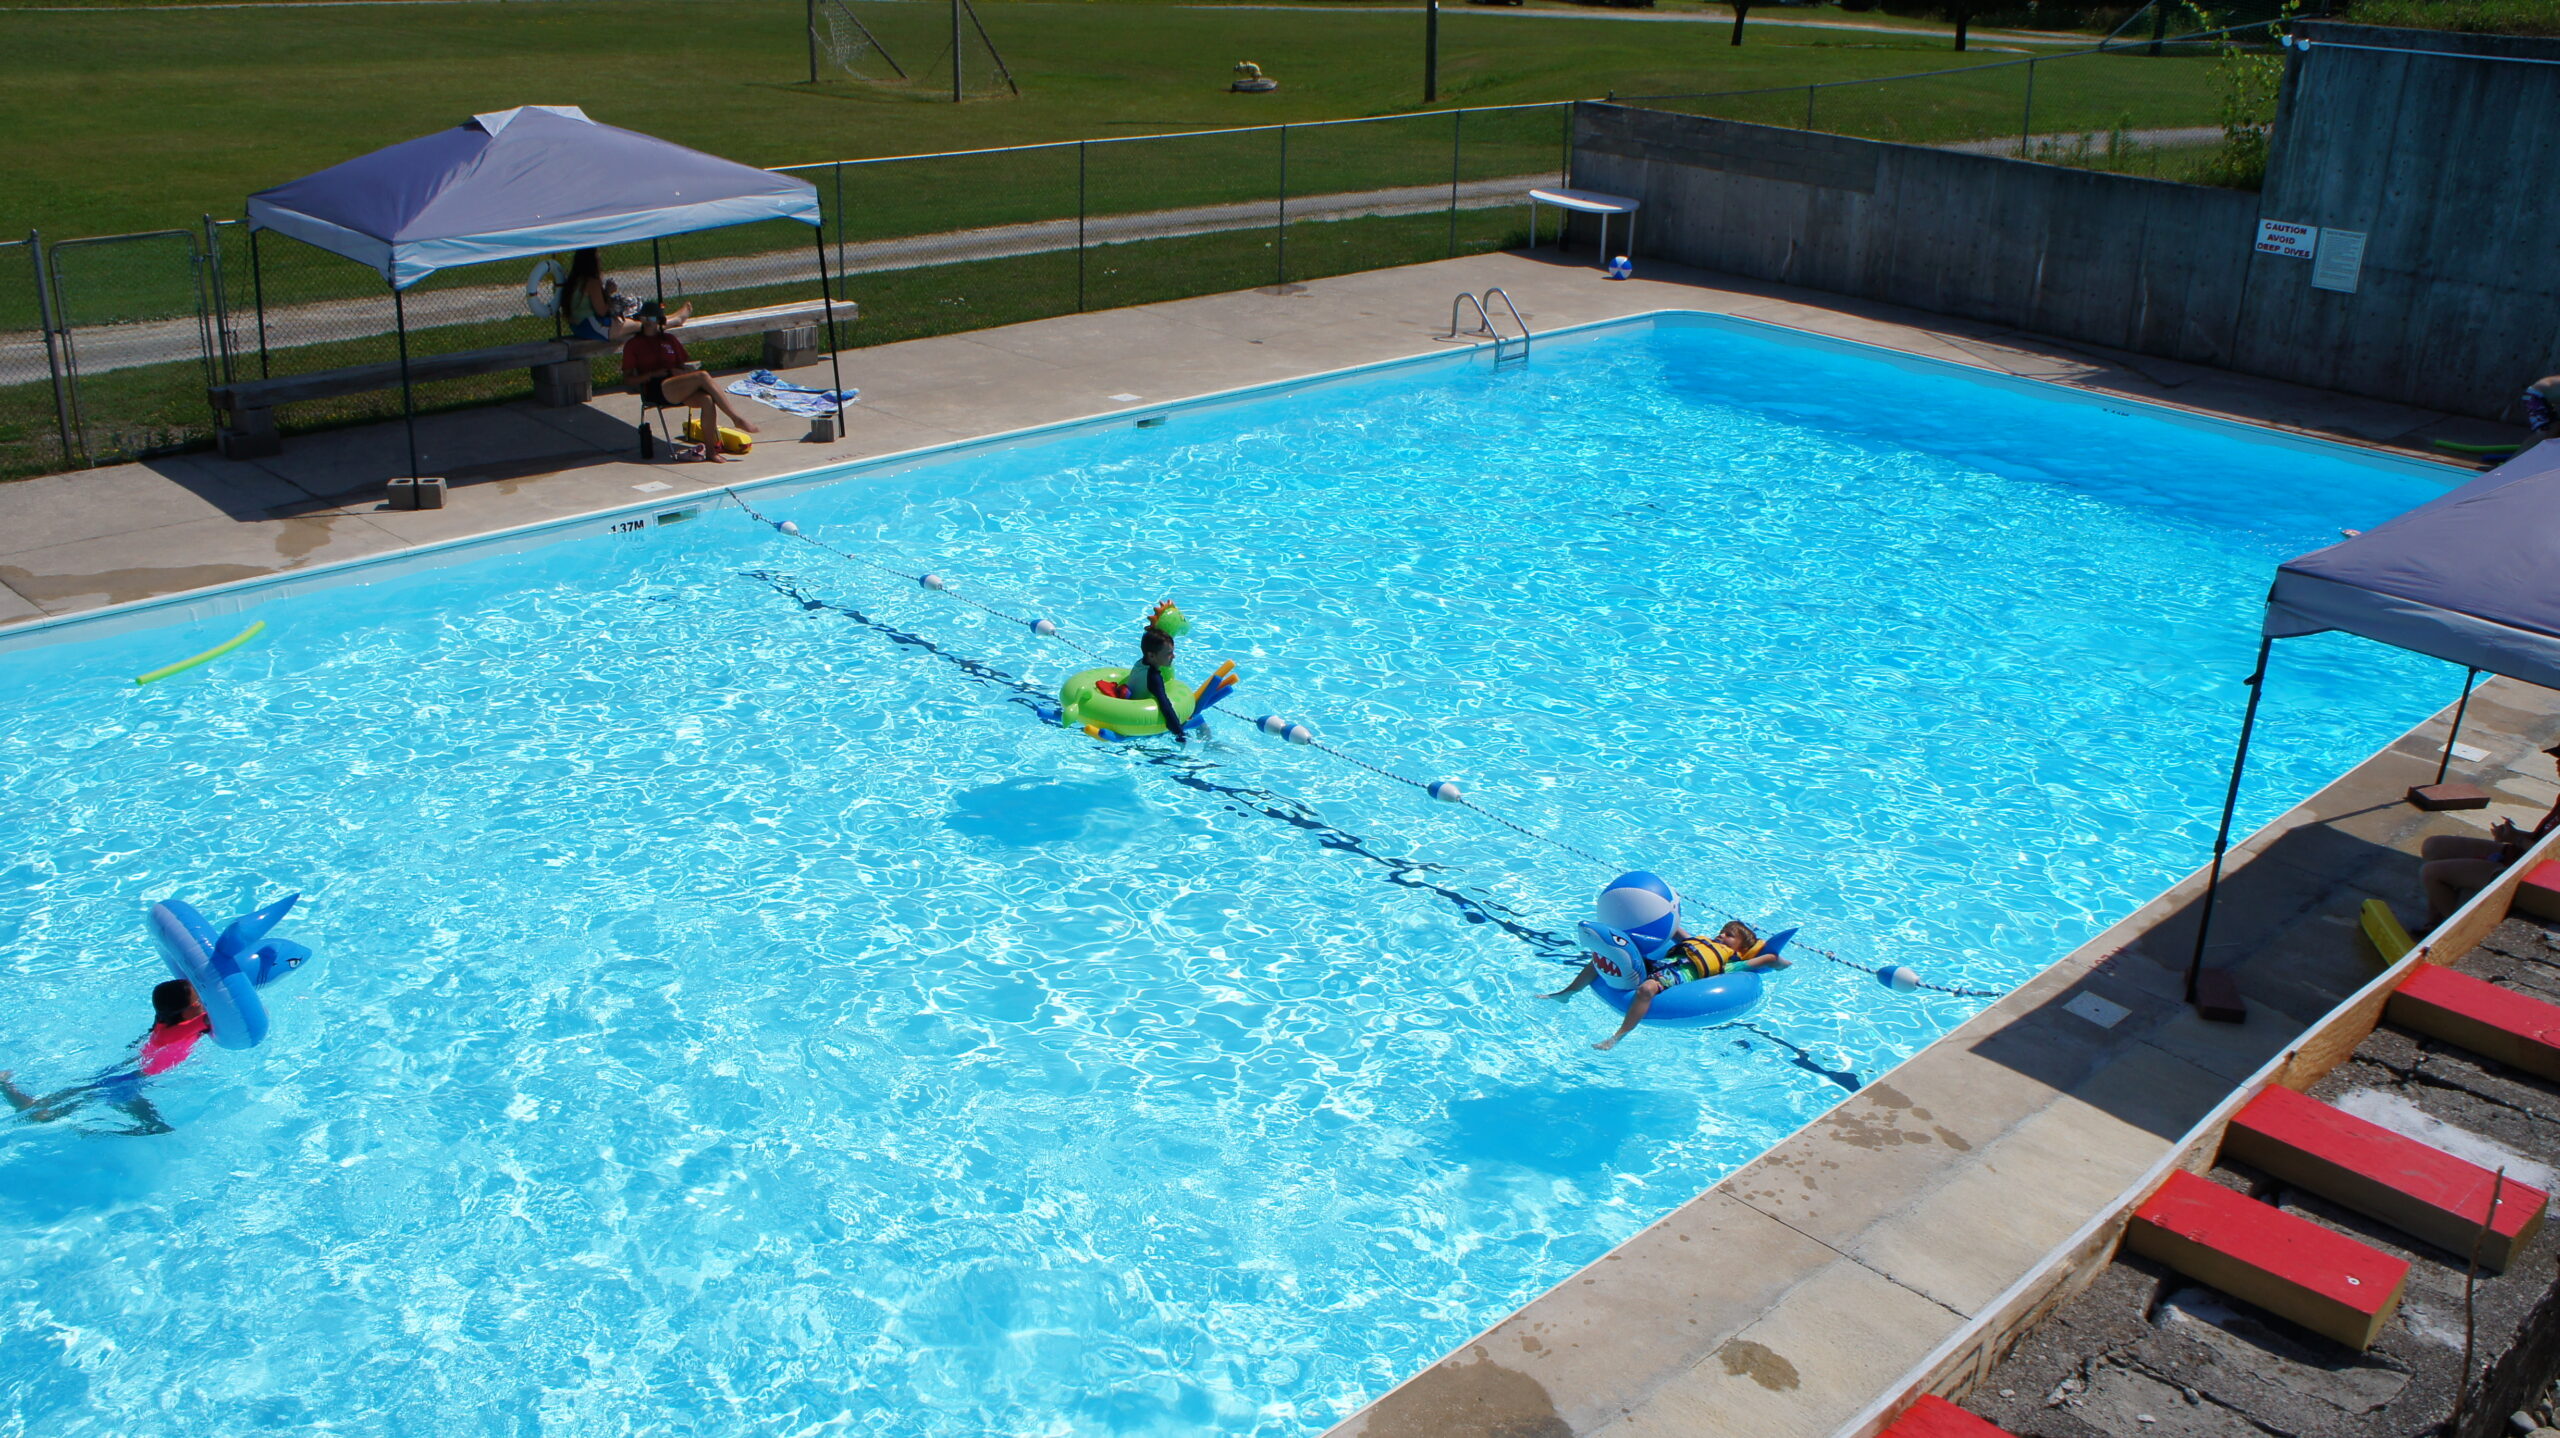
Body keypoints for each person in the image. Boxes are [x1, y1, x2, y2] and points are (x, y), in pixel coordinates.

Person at [1, 980, 209, 1135]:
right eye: (199, 998)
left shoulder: (168, 1022)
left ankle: (6, 1085)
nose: (204, 1000)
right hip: (126, 1084)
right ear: (188, 1009)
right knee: (158, 1128)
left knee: (48, 1108)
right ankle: (96, 1134)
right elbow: (208, 1018)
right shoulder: (173, 1032)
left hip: (124, 1074)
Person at [1548, 918, 1791, 1051]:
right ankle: (1565, 994)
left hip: (1675, 978)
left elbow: (1772, 960)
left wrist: (1771, 952)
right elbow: (1675, 929)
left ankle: (1617, 1037)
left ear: (1740, 948)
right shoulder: (1699, 941)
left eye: (1729, 935)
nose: (1721, 935)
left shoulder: (1732, 964)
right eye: (1722, 931)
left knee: (1647, 989)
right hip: (1658, 964)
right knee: (1601, 962)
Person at [2420, 739, 2560, 924]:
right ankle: (2434, 920)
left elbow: (2550, 860)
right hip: (2517, 855)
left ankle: (2453, 932)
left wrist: (2517, 840)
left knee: (2431, 872)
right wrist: (2514, 835)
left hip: (2525, 873)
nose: (2556, 763)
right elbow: (2544, 839)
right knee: (2433, 846)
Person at [622, 303, 757, 463]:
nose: (650, 322)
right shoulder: (634, 344)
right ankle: (736, 418)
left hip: (676, 383)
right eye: (646, 318)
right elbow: (628, 379)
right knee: (703, 376)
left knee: (706, 400)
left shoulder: (669, 340)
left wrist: (681, 372)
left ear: (659, 320)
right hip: (655, 387)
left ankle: (711, 451)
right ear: (641, 320)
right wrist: (651, 374)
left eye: (654, 318)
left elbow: (683, 365)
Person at [1095, 601, 1191, 744]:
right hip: (1135, 719)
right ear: (1152, 656)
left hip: (1126, 706)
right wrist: (1179, 733)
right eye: (1169, 654)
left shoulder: (1141, 663)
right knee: (1197, 722)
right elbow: (1165, 705)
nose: (1173, 656)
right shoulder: (1153, 677)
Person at [560, 248, 690, 344]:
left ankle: (671, 317)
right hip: (593, 327)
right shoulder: (591, 281)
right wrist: (608, 292)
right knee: (643, 325)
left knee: (637, 322)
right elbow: (601, 311)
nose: (600, 262)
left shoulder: (574, 280)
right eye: (598, 259)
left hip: (578, 327)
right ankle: (676, 321)